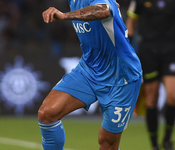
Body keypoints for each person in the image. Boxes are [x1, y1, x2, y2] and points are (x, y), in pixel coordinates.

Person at [38, 0, 142, 150]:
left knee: (107, 142)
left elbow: (105, 9)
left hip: (122, 76)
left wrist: (65, 16)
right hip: (89, 69)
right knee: (47, 113)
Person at [126, 0, 175, 150]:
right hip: (148, 50)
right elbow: (131, 20)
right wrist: (127, 46)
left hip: (171, 49)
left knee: (173, 96)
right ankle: (154, 144)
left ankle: (167, 138)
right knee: (151, 99)